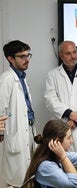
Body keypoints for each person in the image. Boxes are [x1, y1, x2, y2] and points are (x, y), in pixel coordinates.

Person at [44, 40, 77, 152]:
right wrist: (69, 113)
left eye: (74, 52)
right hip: (62, 124)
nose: (73, 56)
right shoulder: (53, 75)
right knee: (62, 161)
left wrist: (76, 119)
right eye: (68, 53)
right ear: (61, 55)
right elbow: (50, 99)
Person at [0, 40, 36, 188]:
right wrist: (2, 132)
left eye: (28, 55)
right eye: (22, 56)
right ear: (10, 59)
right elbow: (1, 110)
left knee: (26, 176)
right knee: (14, 179)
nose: (27, 59)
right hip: (14, 133)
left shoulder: (22, 77)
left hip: (27, 129)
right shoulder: (7, 79)